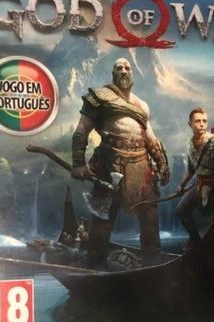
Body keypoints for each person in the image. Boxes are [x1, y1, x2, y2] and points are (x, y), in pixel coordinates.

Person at [71, 58, 169, 267]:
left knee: (150, 224)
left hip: (142, 167)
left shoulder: (142, 105)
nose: (124, 71)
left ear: (132, 73)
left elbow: (150, 138)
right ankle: (95, 267)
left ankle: (154, 267)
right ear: (113, 73)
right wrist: (78, 163)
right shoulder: (99, 98)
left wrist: (162, 164)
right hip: (110, 165)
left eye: (127, 68)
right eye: (119, 68)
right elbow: (81, 131)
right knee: (102, 223)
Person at [176, 108, 214, 242]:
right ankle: (195, 241)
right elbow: (191, 170)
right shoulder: (190, 144)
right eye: (197, 121)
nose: (202, 124)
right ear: (190, 124)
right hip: (200, 185)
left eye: (204, 121)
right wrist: (181, 186)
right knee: (181, 210)